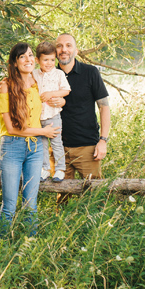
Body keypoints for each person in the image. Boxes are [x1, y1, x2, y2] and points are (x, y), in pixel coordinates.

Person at [0, 43, 60, 236]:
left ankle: (30, 249)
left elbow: (58, 91)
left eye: (31, 55)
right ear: (14, 62)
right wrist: (43, 132)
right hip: (12, 148)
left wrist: (61, 100)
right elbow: (12, 128)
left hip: (35, 149)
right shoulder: (6, 86)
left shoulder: (38, 82)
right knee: (10, 205)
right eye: (22, 56)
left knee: (31, 205)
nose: (28, 59)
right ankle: (3, 247)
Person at [55, 33, 111, 180]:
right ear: (55, 51)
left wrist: (103, 140)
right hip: (58, 148)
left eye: (68, 45)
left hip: (87, 148)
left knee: (94, 196)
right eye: (59, 46)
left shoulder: (90, 72)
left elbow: (104, 107)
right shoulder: (49, 75)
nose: (63, 49)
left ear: (76, 51)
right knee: (62, 198)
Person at [33, 41, 71, 182]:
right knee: (41, 144)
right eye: (45, 60)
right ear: (37, 60)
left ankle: (60, 169)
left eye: (52, 60)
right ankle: (45, 169)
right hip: (37, 117)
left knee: (56, 143)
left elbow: (66, 90)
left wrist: (52, 94)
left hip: (53, 115)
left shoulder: (58, 74)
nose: (49, 63)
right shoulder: (34, 74)